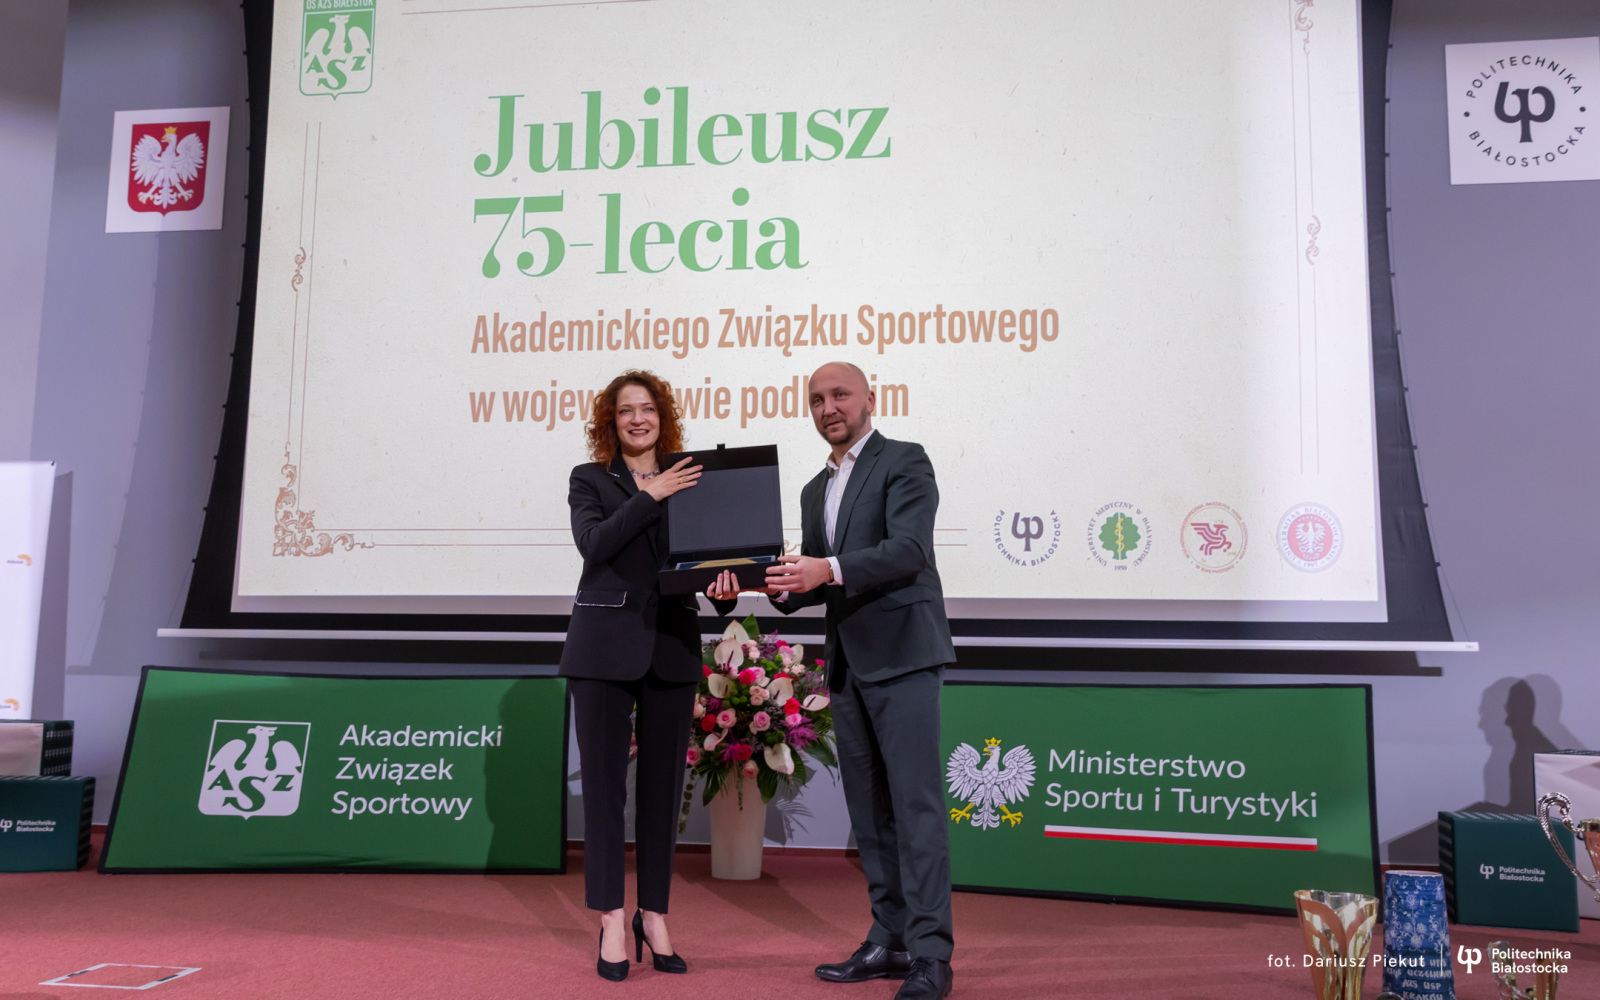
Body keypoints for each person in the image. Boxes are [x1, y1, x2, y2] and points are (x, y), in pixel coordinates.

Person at [708, 361, 956, 1000]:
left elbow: (909, 550)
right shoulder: (814, 489)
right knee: (870, 814)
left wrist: (828, 568)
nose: (828, 408)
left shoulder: (904, 460)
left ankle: (931, 954)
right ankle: (890, 938)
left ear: (871, 398)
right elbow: (811, 583)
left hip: (904, 656)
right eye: (817, 399)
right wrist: (754, 583)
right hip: (848, 665)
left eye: (840, 395)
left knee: (916, 810)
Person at [561, 369, 733, 982]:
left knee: (662, 795)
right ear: (611, 422)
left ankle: (653, 914)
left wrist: (723, 590)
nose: (639, 419)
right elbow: (595, 544)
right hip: (601, 649)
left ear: (664, 418)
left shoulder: (691, 479)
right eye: (626, 410)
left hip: (671, 646)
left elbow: (707, 561)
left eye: (649, 409)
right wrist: (650, 494)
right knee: (605, 791)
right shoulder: (590, 478)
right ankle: (611, 917)